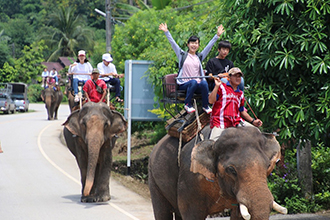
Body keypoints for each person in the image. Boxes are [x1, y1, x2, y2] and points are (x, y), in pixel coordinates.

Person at [159, 23, 225, 114]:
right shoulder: (182, 55)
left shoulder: (199, 56)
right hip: (185, 83)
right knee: (193, 82)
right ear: (188, 44)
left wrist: (217, 36)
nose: (194, 45)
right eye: (192, 43)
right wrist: (166, 32)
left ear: (198, 45)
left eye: (196, 43)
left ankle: (205, 106)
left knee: (204, 83)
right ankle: (187, 104)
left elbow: (209, 47)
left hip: (196, 84)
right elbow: (173, 44)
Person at [208, 67, 262, 141]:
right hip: (221, 122)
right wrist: (216, 86)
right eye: (235, 76)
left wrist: (253, 121)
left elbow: (242, 110)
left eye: (239, 76)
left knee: (256, 132)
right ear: (229, 77)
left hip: (236, 121)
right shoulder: (221, 87)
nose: (238, 78)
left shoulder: (240, 94)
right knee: (212, 143)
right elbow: (211, 101)